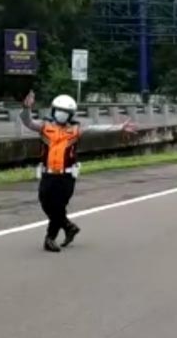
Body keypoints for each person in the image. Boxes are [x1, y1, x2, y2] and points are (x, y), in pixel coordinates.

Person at [20, 91, 136, 252]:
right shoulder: (44, 127)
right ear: (53, 111)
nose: (61, 115)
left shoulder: (75, 130)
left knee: (59, 207)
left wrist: (118, 128)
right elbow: (27, 122)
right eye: (59, 111)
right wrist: (26, 108)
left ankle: (50, 239)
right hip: (48, 174)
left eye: (65, 113)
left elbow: (96, 129)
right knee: (46, 203)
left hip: (66, 176)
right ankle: (68, 227)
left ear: (71, 115)